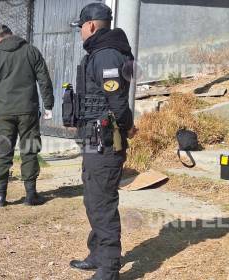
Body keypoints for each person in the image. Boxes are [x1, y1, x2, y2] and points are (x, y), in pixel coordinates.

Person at [68, 3, 137, 280]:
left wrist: (127, 126)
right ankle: (98, 254)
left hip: (104, 143)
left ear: (92, 26)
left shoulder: (106, 55)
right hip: (94, 142)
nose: (80, 33)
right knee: (93, 199)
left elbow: (117, 100)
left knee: (102, 203)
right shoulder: (100, 52)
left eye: (81, 27)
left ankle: (109, 269)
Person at [0, 25, 54, 207]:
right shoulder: (31, 51)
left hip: (4, 111)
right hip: (28, 110)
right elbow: (44, 79)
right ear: (11, 35)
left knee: (3, 150)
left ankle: (1, 196)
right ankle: (30, 195)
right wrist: (48, 104)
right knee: (30, 148)